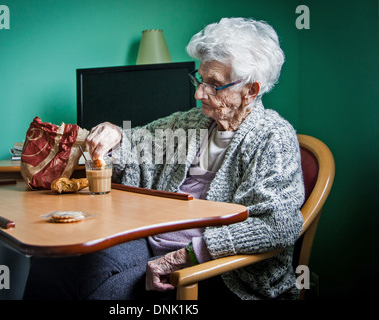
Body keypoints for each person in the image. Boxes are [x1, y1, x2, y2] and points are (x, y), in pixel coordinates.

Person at [23, 17, 304, 300]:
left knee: (107, 295)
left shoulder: (273, 138)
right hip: (155, 241)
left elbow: (276, 225)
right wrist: (115, 135)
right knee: (52, 265)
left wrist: (184, 257)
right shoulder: (192, 122)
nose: (198, 93)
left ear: (251, 91)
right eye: (200, 79)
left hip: (223, 269)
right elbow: (140, 141)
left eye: (214, 85)